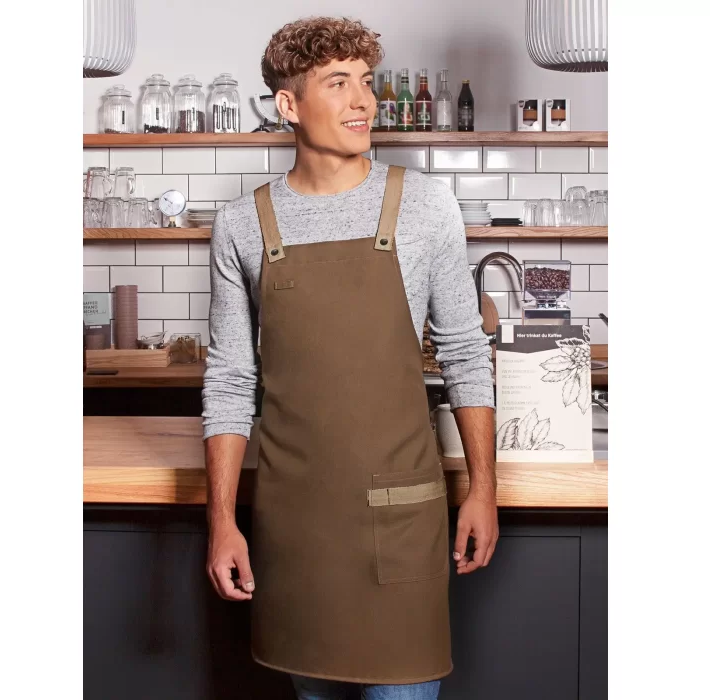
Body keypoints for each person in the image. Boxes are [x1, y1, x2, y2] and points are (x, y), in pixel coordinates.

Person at [202, 16, 500, 700]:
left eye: (366, 82)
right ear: (288, 104)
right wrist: (221, 520)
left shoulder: (425, 205)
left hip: (402, 521)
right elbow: (230, 380)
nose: (364, 101)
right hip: (295, 531)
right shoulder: (243, 224)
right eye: (338, 83)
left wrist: (484, 489)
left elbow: (464, 352)